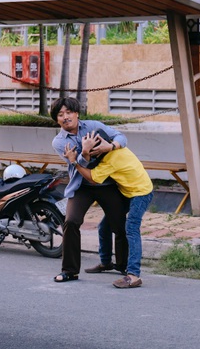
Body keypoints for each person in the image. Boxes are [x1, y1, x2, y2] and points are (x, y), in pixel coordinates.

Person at [50, 97, 128, 283]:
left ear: (77, 114)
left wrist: (111, 145)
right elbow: (79, 164)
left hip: (107, 184)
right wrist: (84, 153)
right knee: (71, 221)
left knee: (119, 225)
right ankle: (70, 270)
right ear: (57, 120)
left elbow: (121, 137)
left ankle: (123, 266)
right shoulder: (59, 142)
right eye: (60, 115)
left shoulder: (92, 125)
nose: (65, 117)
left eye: (69, 112)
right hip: (82, 185)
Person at [64, 130, 153, 289]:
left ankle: (133, 274)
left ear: (99, 150)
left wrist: (74, 162)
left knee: (131, 228)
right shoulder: (114, 148)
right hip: (128, 190)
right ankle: (106, 263)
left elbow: (92, 178)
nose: (89, 155)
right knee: (104, 226)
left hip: (140, 193)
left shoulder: (111, 160)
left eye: (91, 151)